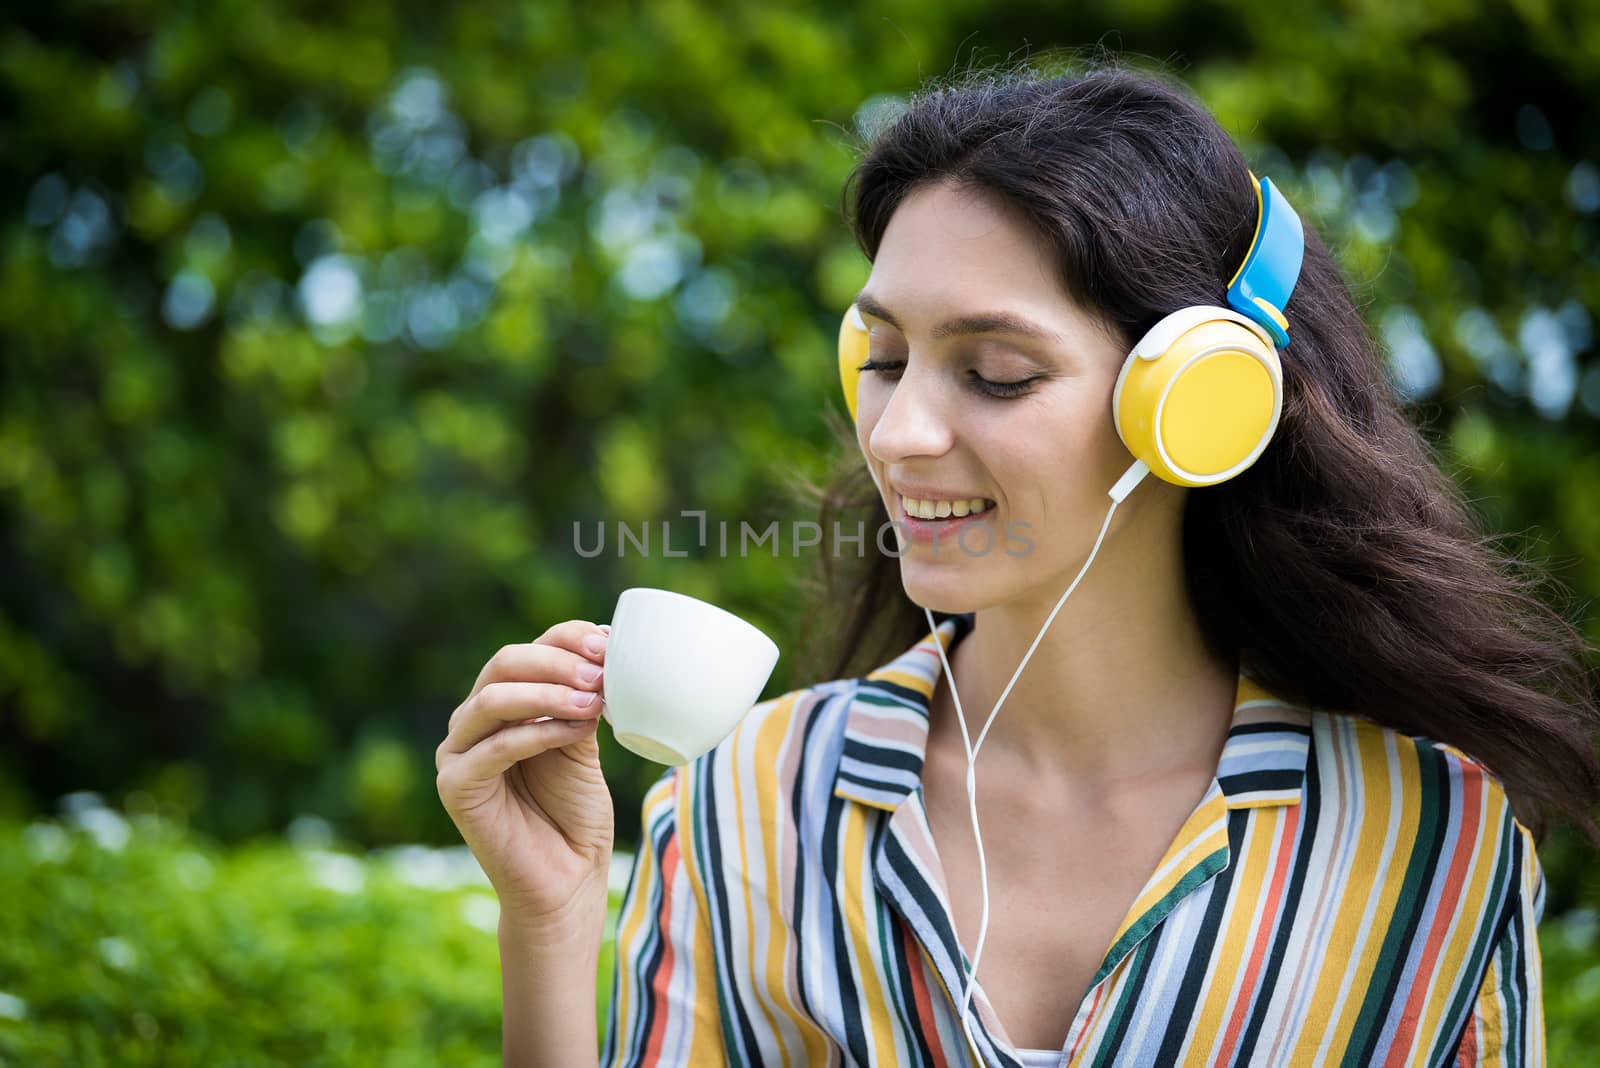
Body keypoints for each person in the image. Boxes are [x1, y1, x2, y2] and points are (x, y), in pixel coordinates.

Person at [435, 59, 1600, 1067]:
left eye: (993, 373)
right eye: (883, 358)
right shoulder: (743, 804)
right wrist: (549, 922)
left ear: (1195, 406)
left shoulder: (1431, 841)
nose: (893, 437)